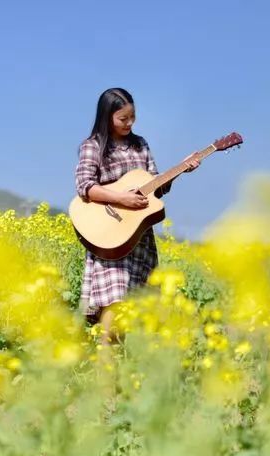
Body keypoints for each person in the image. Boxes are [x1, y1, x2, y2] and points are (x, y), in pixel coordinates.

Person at [74, 88, 200, 344]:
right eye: (123, 118)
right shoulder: (93, 146)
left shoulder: (141, 145)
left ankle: (120, 371)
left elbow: (156, 187)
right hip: (109, 233)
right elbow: (85, 185)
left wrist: (180, 170)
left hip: (138, 235)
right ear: (107, 117)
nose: (129, 123)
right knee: (115, 298)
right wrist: (121, 198)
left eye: (133, 117)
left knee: (132, 308)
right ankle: (103, 370)